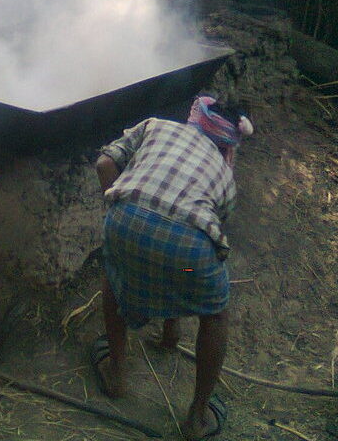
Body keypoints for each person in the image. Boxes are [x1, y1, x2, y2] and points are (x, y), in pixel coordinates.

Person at [91, 95, 253, 441]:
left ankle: (117, 374)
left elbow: (105, 165)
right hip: (188, 265)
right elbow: (202, 237)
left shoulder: (155, 126)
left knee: (116, 270)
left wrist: (119, 213)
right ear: (229, 144)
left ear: (195, 119)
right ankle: (196, 416)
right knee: (214, 311)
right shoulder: (226, 175)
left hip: (125, 228)